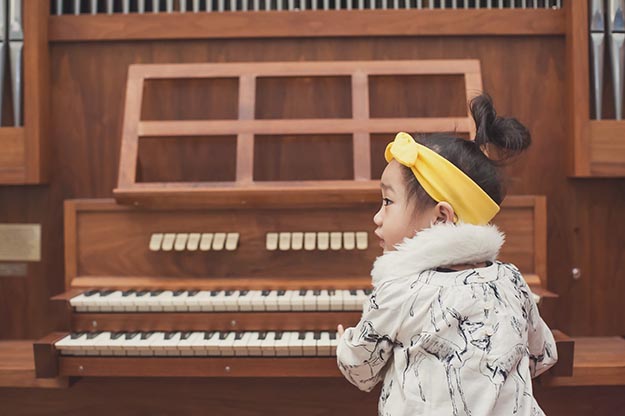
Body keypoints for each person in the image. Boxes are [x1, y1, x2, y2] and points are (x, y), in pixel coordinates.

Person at [336, 94, 557, 416]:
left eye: (387, 201)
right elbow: (544, 355)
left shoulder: (400, 290)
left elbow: (360, 369)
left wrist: (346, 343)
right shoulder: (510, 279)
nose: (377, 217)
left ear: (441, 217)